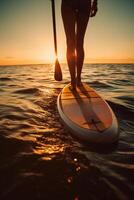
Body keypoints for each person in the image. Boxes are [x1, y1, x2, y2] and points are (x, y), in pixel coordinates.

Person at [61, 0, 98, 90]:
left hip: (70, 3)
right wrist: (95, 3)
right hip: (84, 3)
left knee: (71, 42)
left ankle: (74, 81)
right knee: (79, 42)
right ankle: (78, 80)